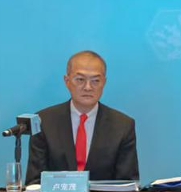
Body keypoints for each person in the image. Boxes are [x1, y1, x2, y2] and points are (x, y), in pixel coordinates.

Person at [26, 51, 139, 185]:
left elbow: (127, 184)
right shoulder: (43, 122)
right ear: (67, 81)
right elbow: (35, 182)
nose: (88, 87)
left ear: (104, 82)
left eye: (95, 81)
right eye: (80, 80)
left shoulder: (123, 126)